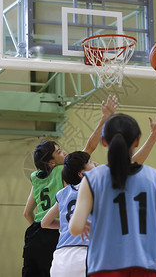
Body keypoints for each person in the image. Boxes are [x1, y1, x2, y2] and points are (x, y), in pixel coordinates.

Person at [42, 112, 156, 277]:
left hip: (60, 259)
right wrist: (154, 136)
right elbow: (133, 162)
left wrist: (69, 225)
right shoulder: (97, 184)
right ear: (81, 173)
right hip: (87, 255)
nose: (96, 163)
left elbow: (45, 223)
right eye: (91, 162)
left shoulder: (63, 193)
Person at [22, 95, 119, 277]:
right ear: (52, 163)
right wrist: (104, 119)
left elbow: (27, 213)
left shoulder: (36, 177)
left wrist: (39, 231)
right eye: (59, 152)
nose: (64, 152)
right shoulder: (65, 171)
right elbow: (89, 147)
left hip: (35, 233)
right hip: (60, 235)